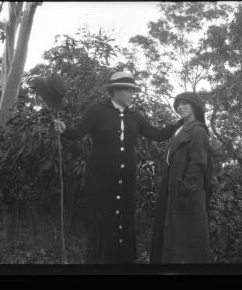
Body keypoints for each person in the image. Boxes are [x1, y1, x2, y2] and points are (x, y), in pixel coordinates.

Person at [54, 71, 183, 264]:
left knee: (124, 220)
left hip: (127, 179)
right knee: (103, 221)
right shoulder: (97, 109)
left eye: (133, 91)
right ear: (115, 91)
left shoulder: (135, 116)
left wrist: (180, 122)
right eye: (129, 91)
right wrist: (64, 129)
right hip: (100, 179)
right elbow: (78, 132)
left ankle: (124, 262)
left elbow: (157, 134)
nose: (133, 95)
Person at [150, 92, 211, 263]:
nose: (180, 107)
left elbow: (198, 163)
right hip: (173, 190)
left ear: (195, 108)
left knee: (188, 237)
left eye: (185, 104)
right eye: (178, 104)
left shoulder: (198, 130)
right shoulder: (179, 129)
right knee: (174, 235)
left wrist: (185, 188)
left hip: (187, 194)